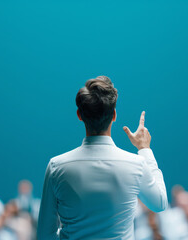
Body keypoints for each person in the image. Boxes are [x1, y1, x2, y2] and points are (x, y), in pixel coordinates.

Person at [37, 76, 168, 239]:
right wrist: (144, 149)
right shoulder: (136, 165)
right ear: (114, 115)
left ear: (79, 115)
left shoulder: (56, 166)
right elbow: (160, 203)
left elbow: (44, 235)